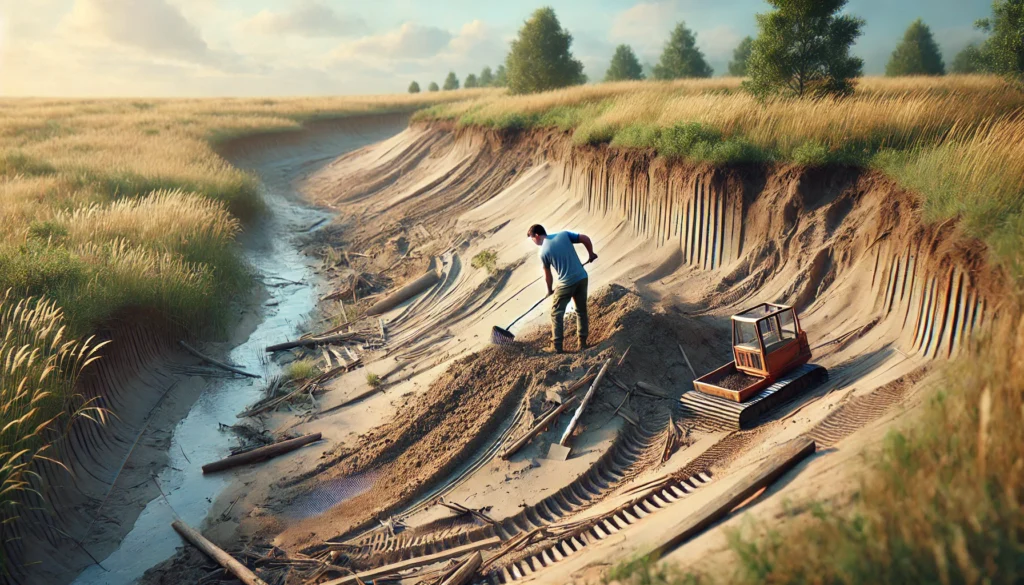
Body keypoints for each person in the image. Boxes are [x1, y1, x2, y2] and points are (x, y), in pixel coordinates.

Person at [528, 224, 598, 353]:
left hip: (566, 283)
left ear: (537, 236)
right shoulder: (564, 234)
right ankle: (582, 343)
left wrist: (549, 290)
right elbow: (585, 238)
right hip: (582, 277)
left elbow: (547, 275)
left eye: (532, 239)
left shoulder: (543, 252)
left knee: (556, 313)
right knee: (581, 311)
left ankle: (557, 346)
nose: (533, 242)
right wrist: (591, 254)